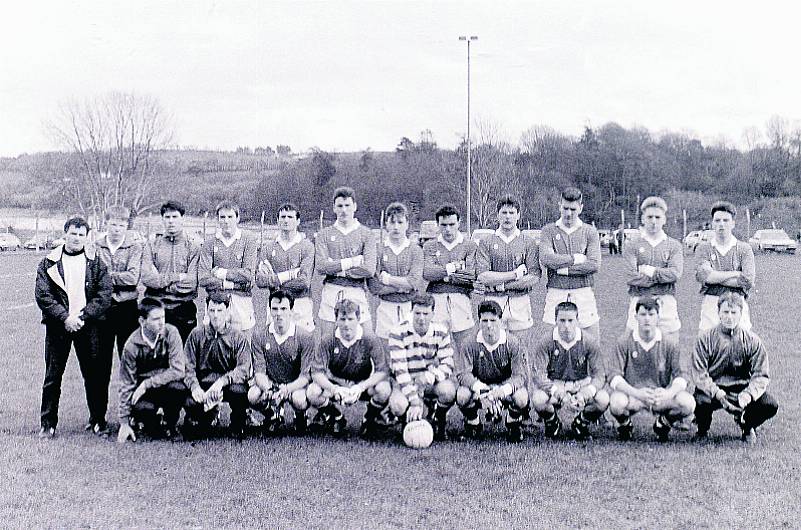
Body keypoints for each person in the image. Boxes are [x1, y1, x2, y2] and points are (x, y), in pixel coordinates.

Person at [35, 216, 112, 438]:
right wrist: (65, 318)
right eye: (73, 233)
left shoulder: (95, 262)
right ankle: (48, 424)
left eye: (81, 234)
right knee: (53, 376)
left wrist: (83, 316)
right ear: (65, 234)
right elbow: (43, 296)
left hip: (87, 326)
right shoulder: (48, 262)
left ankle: (98, 420)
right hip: (59, 326)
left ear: (86, 237)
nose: (77, 238)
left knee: (93, 375)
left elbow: (104, 294)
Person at [692, 292, 778, 443]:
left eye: (734, 312)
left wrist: (748, 395)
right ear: (718, 313)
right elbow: (700, 374)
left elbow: (761, 375)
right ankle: (702, 429)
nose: (729, 317)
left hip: (741, 390)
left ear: (740, 314)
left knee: (769, 405)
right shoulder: (706, 339)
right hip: (715, 391)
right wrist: (717, 393)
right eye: (725, 312)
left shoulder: (752, 341)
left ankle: (747, 425)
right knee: (699, 400)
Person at [608, 296, 695, 442]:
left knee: (688, 403)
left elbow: (682, 375)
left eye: (651, 314)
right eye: (643, 315)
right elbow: (613, 376)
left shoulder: (670, 343)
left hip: (659, 397)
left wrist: (669, 393)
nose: (647, 319)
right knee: (616, 403)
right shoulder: (624, 341)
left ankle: (663, 423)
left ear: (658, 317)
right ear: (635, 317)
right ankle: (625, 425)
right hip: (634, 395)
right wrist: (636, 392)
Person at [306, 299, 391, 437]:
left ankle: (369, 418)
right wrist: (335, 389)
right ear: (336, 319)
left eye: (351, 319)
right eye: (342, 319)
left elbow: (382, 371)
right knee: (312, 392)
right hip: (337, 384)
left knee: (384, 389)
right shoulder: (328, 340)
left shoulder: (369, 338)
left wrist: (360, 387)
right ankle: (336, 417)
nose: (346, 324)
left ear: (358, 318)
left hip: (362, 385)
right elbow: (316, 373)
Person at [95, 205, 144, 430]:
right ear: (107, 224)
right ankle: (97, 417)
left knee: (129, 362)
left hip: (127, 309)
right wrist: (110, 279)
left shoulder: (134, 245)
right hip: (103, 310)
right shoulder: (96, 245)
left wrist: (106, 278)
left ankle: (131, 414)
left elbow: (133, 277)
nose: (117, 229)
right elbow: (92, 277)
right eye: (113, 224)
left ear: (127, 226)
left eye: (122, 224)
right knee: (100, 365)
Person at [530, 302, 609, 440]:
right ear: (555, 321)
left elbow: (600, 375)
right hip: (556, 383)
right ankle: (552, 422)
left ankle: (581, 423)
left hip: (581, 383)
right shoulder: (546, 341)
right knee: (538, 399)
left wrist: (586, 392)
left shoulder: (589, 341)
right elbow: (538, 374)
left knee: (603, 399)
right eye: (562, 320)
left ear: (577, 320)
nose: (566, 325)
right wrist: (555, 391)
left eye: (570, 320)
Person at [455, 301, 530, 443]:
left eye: (493, 320)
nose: (489, 325)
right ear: (479, 322)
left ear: (501, 321)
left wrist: (501, 391)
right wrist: (483, 391)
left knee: (521, 397)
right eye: (484, 321)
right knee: (462, 395)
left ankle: (513, 423)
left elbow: (520, 376)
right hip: (480, 387)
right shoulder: (469, 343)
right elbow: (463, 374)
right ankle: (473, 424)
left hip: (503, 387)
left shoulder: (513, 343)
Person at [182, 292, 252, 439]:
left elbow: (243, 368)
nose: (215, 315)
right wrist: (195, 387)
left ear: (227, 312)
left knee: (239, 391)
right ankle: (201, 418)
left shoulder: (238, 336)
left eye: (220, 311)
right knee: (189, 402)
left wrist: (222, 382)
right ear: (207, 311)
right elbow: (187, 366)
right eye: (211, 310)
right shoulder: (196, 334)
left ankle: (237, 422)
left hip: (226, 385)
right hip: (203, 385)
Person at [117, 298, 187, 442]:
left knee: (178, 388)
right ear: (142, 321)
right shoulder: (131, 346)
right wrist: (123, 422)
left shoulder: (171, 332)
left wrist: (147, 383)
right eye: (156, 319)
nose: (161, 322)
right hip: (144, 393)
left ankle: (170, 424)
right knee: (144, 410)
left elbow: (179, 370)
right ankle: (150, 423)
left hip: (164, 386)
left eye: (163, 317)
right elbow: (126, 384)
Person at [387, 293, 456, 442]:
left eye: (426, 313)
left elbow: (448, 364)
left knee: (448, 391)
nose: (421, 318)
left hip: (427, 381)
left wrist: (429, 377)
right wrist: (414, 400)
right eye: (417, 313)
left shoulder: (441, 332)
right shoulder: (397, 332)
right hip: (405, 381)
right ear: (411, 312)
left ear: (433, 314)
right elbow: (400, 372)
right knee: (398, 404)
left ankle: (438, 419)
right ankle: (406, 423)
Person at [539, 187, 602, 340]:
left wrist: (562, 269)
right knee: (549, 341)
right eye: (565, 208)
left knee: (591, 342)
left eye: (573, 209)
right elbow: (546, 259)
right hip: (555, 291)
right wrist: (575, 259)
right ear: (559, 205)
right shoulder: (548, 231)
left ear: (580, 208)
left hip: (583, 292)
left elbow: (593, 264)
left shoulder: (589, 231)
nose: (568, 213)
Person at [248, 289, 315, 434]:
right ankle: (272, 414)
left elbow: (306, 376)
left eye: (284, 309)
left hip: (294, 386)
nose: (279, 314)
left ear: (291, 310)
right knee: (253, 395)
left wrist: (287, 389)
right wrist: (268, 389)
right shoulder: (259, 335)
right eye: (275, 309)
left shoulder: (305, 336)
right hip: (271, 385)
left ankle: (300, 416)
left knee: (299, 399)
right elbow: (259, 372)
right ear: (270, 310)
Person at [314, 187, 377, 337]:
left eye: (347, 205)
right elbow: (321, 266)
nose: (344, 210)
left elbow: (369, 269)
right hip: (331, 291)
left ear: (355, 206)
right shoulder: (324, 234)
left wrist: (335, 266)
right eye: (340, 206)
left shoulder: (366, 234)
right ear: (334, 208)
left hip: (357, 291)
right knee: (328, 341)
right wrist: (353, 262)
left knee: (366, 339)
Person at [475, 195, 540, 339]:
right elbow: (483, 276)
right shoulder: (486, 242)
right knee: (493, 349)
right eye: (504, 213)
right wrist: (514, 274)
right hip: (492, 300)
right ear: (497, 215)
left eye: (511, 213)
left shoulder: (528, 242)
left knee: (521, 351)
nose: (507, 217)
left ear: (518, 215)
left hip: (520, 301)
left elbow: (534, 277)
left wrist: (502, 286)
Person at [624, 196, 684, 342]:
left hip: (666, 301)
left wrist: (650, 271)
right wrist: (662, 276)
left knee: (670, 347)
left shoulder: (674, 245)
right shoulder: (632, 244)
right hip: (639, 299)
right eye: (649, 216)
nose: (653, 221)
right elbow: (630, 276)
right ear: (643, 219)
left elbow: (675, 274)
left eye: (657, 217)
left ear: (664, 219)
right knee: (634, 346)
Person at [141, 200, 201, 342]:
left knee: (184, 358)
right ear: (162, 219)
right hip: (156, 307)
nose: (171, 221)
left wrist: (161, 283)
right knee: (156, 357)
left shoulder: (193, 246)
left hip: (183, 308)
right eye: (167, 217)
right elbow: (146, 278)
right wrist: (177, 277)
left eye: (175, 217)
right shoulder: (152, 244)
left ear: (182, 218)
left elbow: (191, 282)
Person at [422, 204, 477, 352]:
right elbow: (427, 273)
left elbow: (471, 276)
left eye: (452, 224)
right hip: (436, 299)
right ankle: (437, 375)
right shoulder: (430, 246)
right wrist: (452, 268)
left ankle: (464, 375)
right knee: (434, 347)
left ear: (459, 223)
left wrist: (444, 277)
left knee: (465, 348)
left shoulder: (469, 246)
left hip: (461, 299)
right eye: (443, 225)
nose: (448, 229)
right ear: (437, 225)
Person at [199, 201, 258, 337]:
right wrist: (234, 284)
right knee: (214, 346)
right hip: (216, 300)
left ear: (237, 218)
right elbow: (203, 278)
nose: (226, 221)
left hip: (241, 301)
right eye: (222, 217)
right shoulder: (209, 242)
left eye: (230, 217)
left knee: (243, 344)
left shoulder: (248, 239)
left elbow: (248, 275)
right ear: (218, 219)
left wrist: (220, 272)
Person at [695, 201, 755, 333]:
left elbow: (747, 280)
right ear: (712, 223)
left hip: (737, 302)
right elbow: (705, 277)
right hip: (711, 304)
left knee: (740, 348)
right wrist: (735, 273)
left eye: (726, 220)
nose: (721, 224)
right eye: (717, 220)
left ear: (733, 223)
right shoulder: (703, 249)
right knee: (709, 347)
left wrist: (715, 276)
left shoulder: (744, 249)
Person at [255, 203, 315, 332]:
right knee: (275, 345)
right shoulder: (268, 248)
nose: (286, 220)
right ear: (277, 220)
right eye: (282, 217)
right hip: (275, 303)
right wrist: (288, 275)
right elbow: (260, 280)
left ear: (298, 221)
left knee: (302, 346)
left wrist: (274, 281)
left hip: (300, 303)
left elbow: (304, 282)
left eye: (290, 217)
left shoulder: (307, 246)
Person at [368, 202, 423, 343]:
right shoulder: (378, 250)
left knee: (410, 356)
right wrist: (402, 286)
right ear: (386, 224)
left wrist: (387, 279)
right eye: (392, 223)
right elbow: (374, 286)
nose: (396, 227)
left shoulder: (415, 250)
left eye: (400, 222)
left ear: (407, 224)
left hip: (409, 308)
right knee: (386, 357)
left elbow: (414, 282)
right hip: (385, 308)